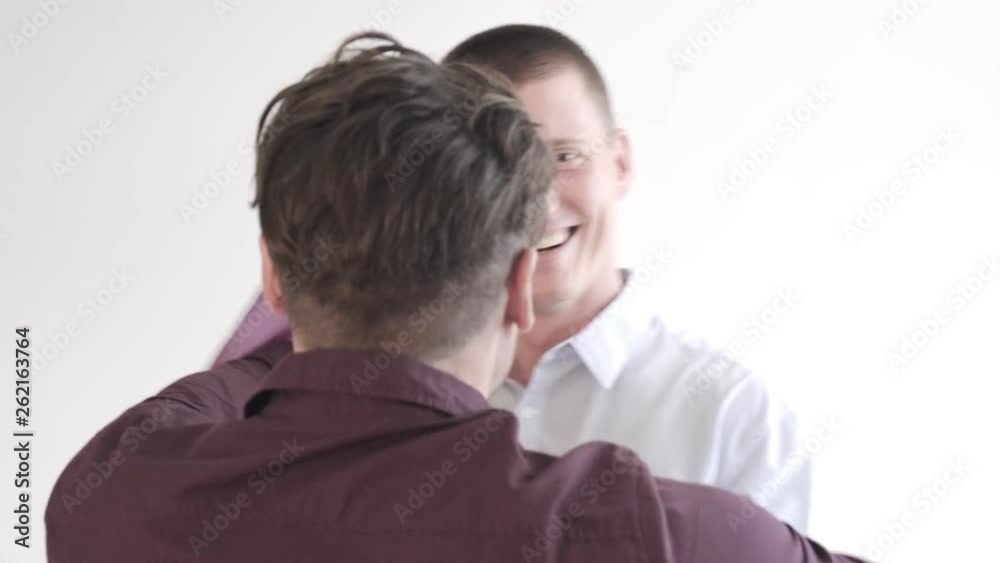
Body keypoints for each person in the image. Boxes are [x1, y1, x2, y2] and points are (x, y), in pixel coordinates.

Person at [45, 32, 864, 562]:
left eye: (566, 158)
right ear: (517, 281)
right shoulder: (670, 535)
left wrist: (302, 283)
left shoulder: (112, 492)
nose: (546, 202)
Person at [214, 24, 811, 531]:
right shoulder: (349, 392)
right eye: (502, 175)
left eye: (566, 156)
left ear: (621, 162)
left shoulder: (732, 418)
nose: (539, 205)